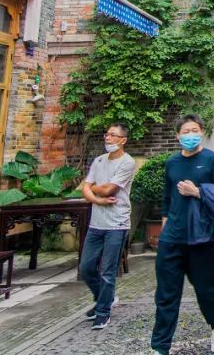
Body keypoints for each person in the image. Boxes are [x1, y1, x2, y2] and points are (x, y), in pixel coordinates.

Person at [150, 116, 214, 355]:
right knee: (165, 294)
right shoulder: (172, 162)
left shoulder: (211, 159)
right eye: (185, 131)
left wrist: (198, 192)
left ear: (202, 132)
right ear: (177, 136)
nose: (190, 135)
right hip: (171, 238)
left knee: (205, 290)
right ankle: (160, 346)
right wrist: (165, 228)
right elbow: (167, 199)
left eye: (195, 130)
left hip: (200, 237)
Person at [80, 123, 136, 329]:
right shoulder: (99, 161)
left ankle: (103, 311)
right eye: (107, 134)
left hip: (117, 223)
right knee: (86, 268)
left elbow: (108, 189)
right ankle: (106, 297)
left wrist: (94, 190)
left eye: (113, 135)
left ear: (123, 140)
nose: (108, 138)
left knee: (107, 270)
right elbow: (87, 189)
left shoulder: (127, 162)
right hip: (97, 222)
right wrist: (97, 198)